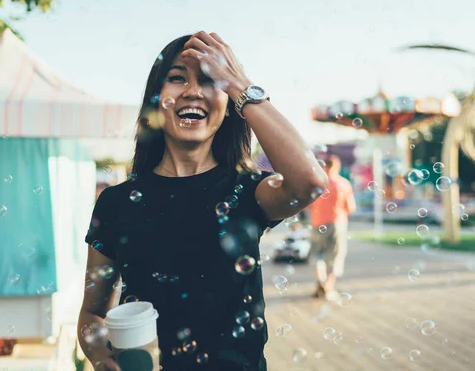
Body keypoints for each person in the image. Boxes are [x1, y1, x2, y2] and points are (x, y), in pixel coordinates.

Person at [77, 31, 329, 371]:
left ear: (229, 107)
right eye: (177, 78)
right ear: (156, 100)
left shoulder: (249, 191)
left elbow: (310, 182)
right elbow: (93, 313)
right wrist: (101, 357)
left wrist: (240, 84)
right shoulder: (115, 203)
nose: (193, 91)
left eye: (211, 82)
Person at [307, 155, 356, 302]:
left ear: (324, 166)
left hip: (317, 223)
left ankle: (321, 281)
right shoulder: (343, 184)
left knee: (317, 255)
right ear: (337, 166)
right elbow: (350, 208)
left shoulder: (317, 184)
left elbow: (308, 206)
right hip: (337, 224)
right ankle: (328, 288)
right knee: (334, 256)